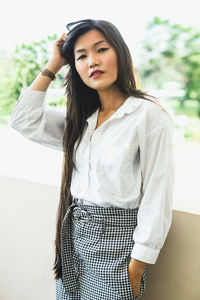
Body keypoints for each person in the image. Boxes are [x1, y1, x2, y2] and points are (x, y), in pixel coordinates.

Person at [9, 19, 175, 300]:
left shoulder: (148, 116)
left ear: (120, 53)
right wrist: (53, 65)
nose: (92, 62)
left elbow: (158, 196)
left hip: (118, 251)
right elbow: (23, 120)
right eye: (81, 56)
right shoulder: (80, 122)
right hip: (74, 242)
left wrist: (136, 268)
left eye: (101, 50)